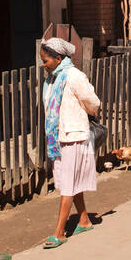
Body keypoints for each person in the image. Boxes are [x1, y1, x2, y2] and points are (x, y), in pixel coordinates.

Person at [39, 37, 101, 248]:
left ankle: (59, 232)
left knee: (67, 184)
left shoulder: (74, 76)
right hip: (58, 138)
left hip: (74, 135)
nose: (43, 65)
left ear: (58, 58)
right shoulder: (52, 79)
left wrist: (84, 113)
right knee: (70, 182)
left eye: (46, 60)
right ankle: (83, 220)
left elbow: (93, 102)